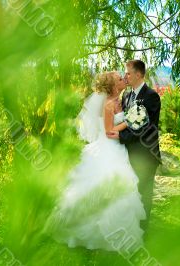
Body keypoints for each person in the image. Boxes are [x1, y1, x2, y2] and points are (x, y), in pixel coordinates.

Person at [44, 71, 145, 252]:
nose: (123, 79)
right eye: (119, 78)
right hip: (108, 149)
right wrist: (130, 120)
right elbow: (109, 131)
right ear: (114, 86)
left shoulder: (119, 101)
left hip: (117, 150)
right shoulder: (108, 105)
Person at [107, 60, 162, 231]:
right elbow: (127, 122)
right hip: (129, 154)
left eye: (128, 73)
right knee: (131, 192)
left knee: (144, 193)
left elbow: (144, 128)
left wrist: (121, 136)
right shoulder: (127, 96)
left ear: (139, 74)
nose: (126, 76)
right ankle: (131, 227)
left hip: (145, 155)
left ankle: (143, 230)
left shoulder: (151, 96)